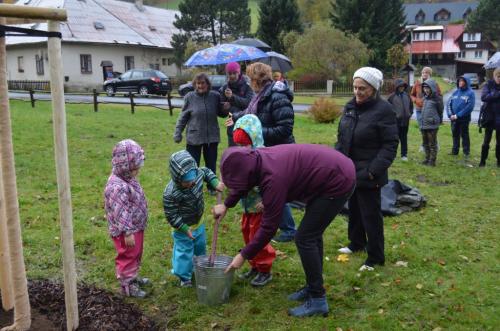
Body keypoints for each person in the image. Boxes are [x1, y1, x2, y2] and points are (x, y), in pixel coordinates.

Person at [212, 144, 356, 317]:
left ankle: (318, 299)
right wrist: (226, 205)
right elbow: (245, 183)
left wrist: (243, 255)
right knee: (311, 235)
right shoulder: (256, 159)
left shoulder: (273, 179)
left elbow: (269, 227)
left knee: (305, 238)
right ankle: (313, 286)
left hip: (337, 180)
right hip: (327, 172)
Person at [336, 67, 398, 271]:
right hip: (349, 170)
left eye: (362, 88)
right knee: (353, 209)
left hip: (370, 173)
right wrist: (337, 160)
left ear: (373, 88)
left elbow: (389, 145)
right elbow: (342, 137)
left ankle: (375, 257)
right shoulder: (350, 107)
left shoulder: (384, 110)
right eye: (354, 87)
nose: (357, 92)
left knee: (371, 216)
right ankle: (356, 243)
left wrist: (372, 171)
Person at [226, 62, 297, 242]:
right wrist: (235, 117)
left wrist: (255, 133)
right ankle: (274, 225)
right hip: (267, 149)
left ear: (257, 79)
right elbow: (250, 114)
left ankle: (288, 229)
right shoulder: (260, 95)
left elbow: (285, 129)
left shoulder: (277, 97)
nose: (249, 81)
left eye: (250, 78)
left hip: (279, 150)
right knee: (269, 190)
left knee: (275, 190)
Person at [163, 150, 224, 287]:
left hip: (199, 223)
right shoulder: (171, 193)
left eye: (192, 180)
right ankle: (184, 277)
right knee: (184, 252)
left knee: (200, 247)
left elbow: (206, 172)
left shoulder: (197, 174)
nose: (191, 183)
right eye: (186, 182)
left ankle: (198, 266)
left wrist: (214, 183)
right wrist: (184, 228)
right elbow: (171, 215)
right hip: (182, 228)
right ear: (177, 178)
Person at [232, 114, 276, 286]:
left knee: (258, 237)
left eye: (244, 144)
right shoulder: (243, 155)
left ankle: (265, 269)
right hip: (246, 207)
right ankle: (254, 265)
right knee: (247, 235)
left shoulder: (263, 157)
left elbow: (272, 183)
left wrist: (266, 200)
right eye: (238, 145)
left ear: (255, 139)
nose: (241, 148)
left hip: (259, 208)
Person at [104, 139, 149, 298]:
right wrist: (127, 232)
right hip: (126, 230)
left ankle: (133, 276)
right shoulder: (117, 186)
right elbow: (120, 211)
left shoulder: (127, 178)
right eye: (136, 168)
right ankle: (127, 284)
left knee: (136, 253)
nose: (138, 171)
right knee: (128, 255)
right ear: (126, 166)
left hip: (135, 226)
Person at [174, 72, 228, 193]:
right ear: (194, 84)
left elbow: (221, 113)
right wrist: (178, 132)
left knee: (211, 163)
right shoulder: (189, 97)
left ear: (207, 84)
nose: (200, 86)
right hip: (194, 136)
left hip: (211, 137)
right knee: (192, 165)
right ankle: (193, 186)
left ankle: (211, 187)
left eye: (202, 83)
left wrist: (226, 108)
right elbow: (183, 117)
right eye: (198, 83)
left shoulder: (215, 96)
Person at [219, 62, 254, 147]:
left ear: (239, 72)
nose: (232, 76)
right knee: (233, 154)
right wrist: (224, 108)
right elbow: (222, 113)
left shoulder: (247, 86)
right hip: (232, 127)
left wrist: (232, 97)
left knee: (247, 154)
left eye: (234, 73)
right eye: (229, 73)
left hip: (246, 126)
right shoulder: (224, 88)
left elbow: (249, 104)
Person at [447, 75, 475, 158]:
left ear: (466, 82)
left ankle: (466, 152)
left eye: (462, 81)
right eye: (459, 81)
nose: (460, 82)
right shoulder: (455, 92)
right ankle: (455, 151)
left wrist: (458, 115)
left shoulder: (470, 93)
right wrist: (450, 114)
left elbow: (469, 107)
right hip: (453, 118)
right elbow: (449, 103)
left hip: (464, 119)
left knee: (464, 135)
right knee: (455, 134)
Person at [388, 79, 413, 161]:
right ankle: (392, 154)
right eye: (400, 86)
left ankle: (404, 154)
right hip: (396, 122)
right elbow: (388, 109)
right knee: (395, 139)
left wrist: (409, 114)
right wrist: (393, 118)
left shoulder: (407, 96)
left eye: (403, 86)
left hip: (406, 121)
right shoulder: (392, 97)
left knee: (404, 138)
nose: (402, 88)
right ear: (397, 87)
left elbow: (411, 106)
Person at [479, 67, 500, 167]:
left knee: (499, 142)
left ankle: (499, 161)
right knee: (486, 140)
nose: (499, 78)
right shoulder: (488, 84)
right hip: (489, 117)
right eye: (498, 76)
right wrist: (496, 93)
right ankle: (482, 161)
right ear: (494, 76)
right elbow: (484, 97)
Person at [420, 79, 444, 166]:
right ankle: (427, 158)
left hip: (432, 125)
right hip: (424, 125)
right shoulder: (425, 98)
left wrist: (438, 120)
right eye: (424, 88)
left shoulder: (437, 99)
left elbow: (440, 111)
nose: (426, 90)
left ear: (432, 88)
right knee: (425, 143)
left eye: (428, 88)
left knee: (432, 144)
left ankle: (432, 161)